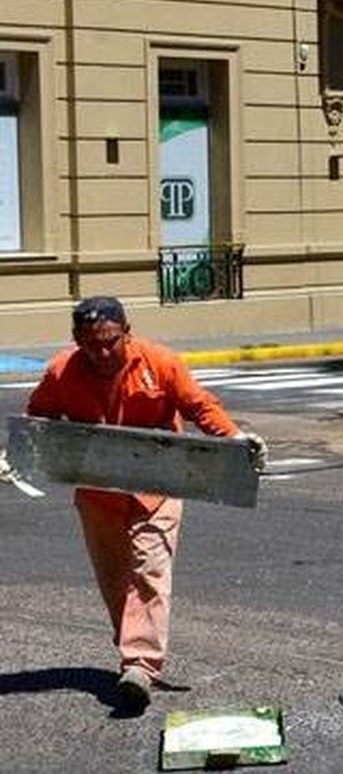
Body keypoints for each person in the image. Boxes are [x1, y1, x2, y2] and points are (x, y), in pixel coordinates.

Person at [25, 296, 265, 709]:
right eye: (90, 344)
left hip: (158, 487)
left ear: (127, 333)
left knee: (150, 569)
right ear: (76, 340)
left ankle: (141, 665)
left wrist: (234, 439)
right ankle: (133, 649)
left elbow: (199, 406)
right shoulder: (62, 371)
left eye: (110, 342)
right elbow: (38, 419)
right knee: (115, 579)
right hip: (99, 494)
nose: (101, 353)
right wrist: (21, 454)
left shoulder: (160, 363)